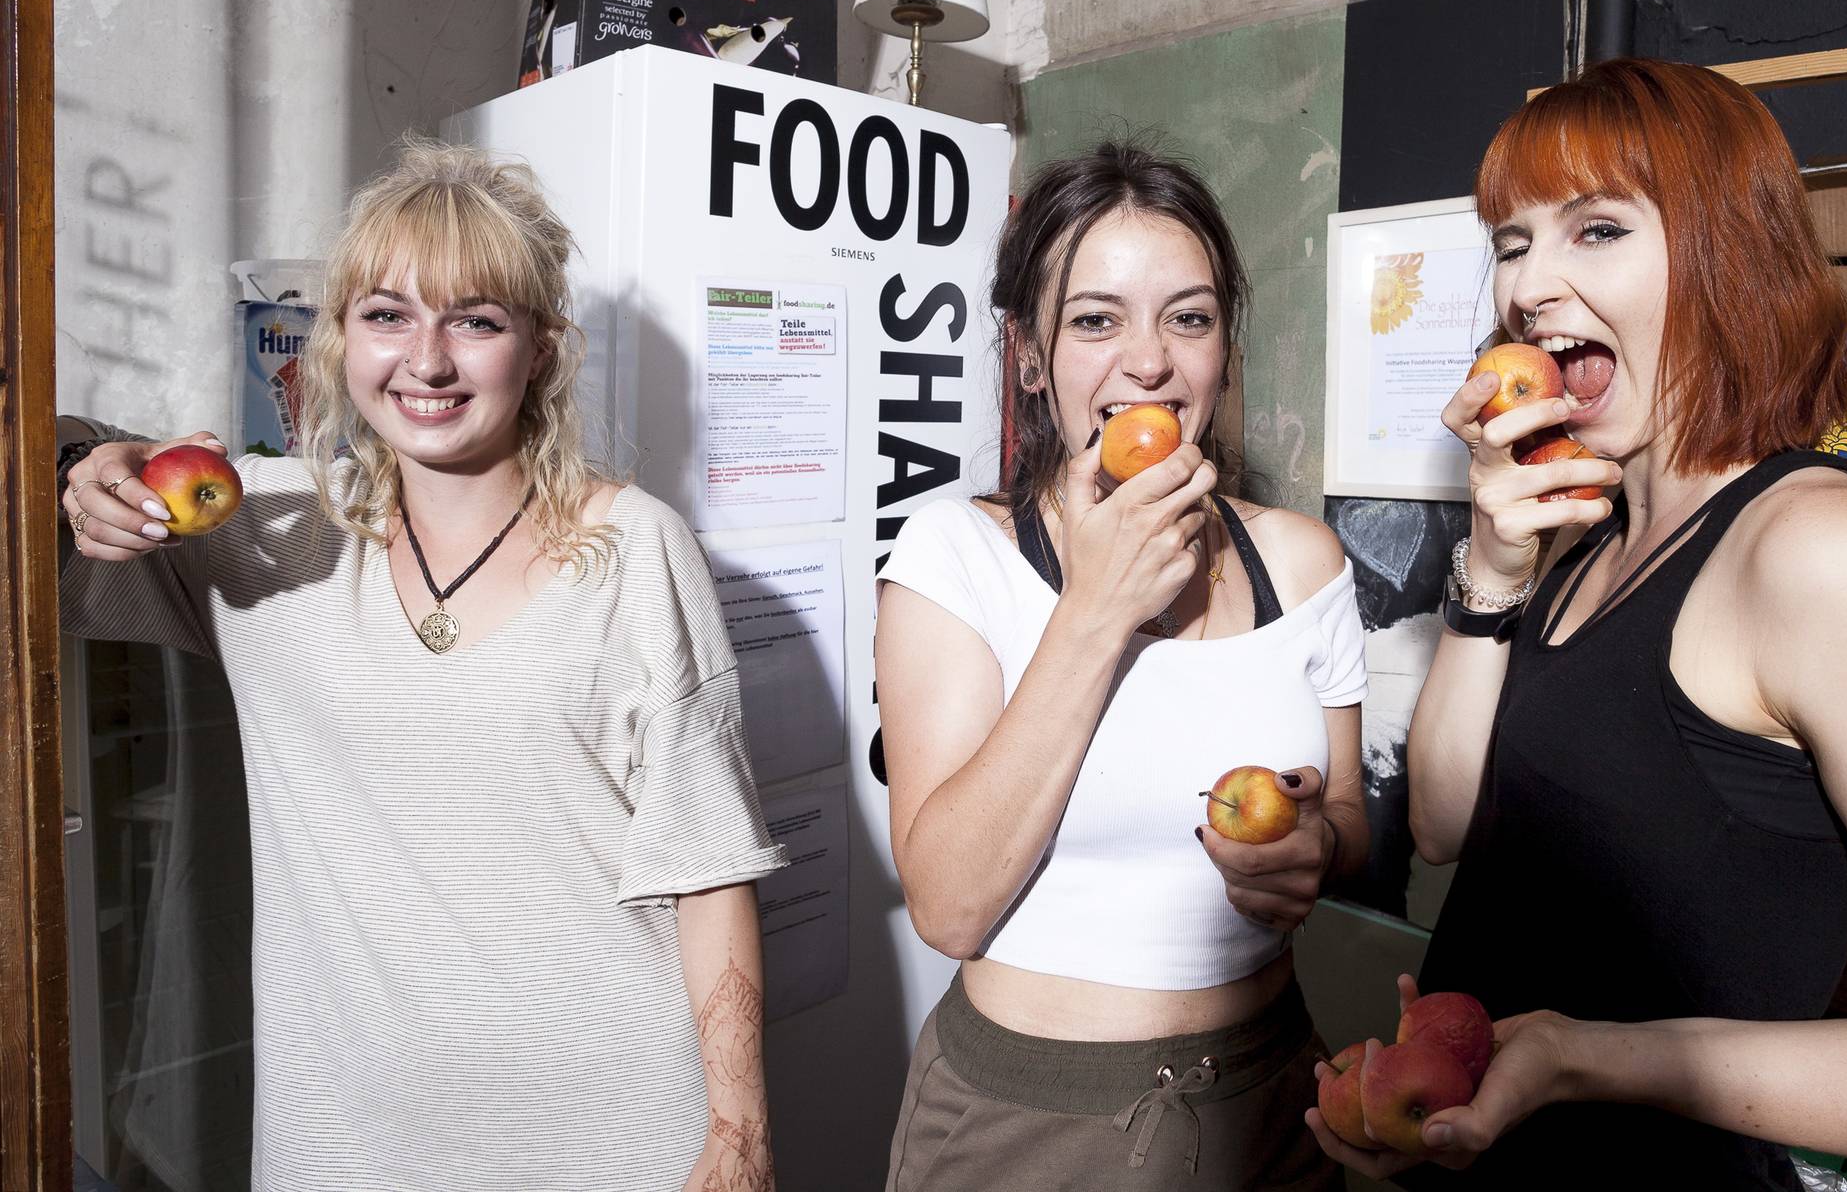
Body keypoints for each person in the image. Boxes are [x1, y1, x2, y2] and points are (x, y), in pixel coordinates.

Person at [1307, 58, 1847, 1186]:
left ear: (1732, 250)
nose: (1529, 286)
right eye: (1512, 240)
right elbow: (1440, 822)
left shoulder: (1826, 556)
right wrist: (1490, 568)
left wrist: (1597, 1061)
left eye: (1596, 229)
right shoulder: (1590, 547)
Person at [58, 138, 788, 1191]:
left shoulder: (634, 548)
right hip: (347, 1142)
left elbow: (708, 868)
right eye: (387, 313)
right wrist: (80, 466)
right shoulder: (264, 529)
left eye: (476, 319)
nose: (428, 361)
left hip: (616, 1134)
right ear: (341, 339)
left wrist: (741, 1134)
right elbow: (47, 518)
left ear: (538, 348)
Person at [874, 140, 1370, 1190]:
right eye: (1096, 319)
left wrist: (1312, 842)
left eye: (1187, 317)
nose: (1148, 361)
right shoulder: (955, 556)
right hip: (1025, 1124)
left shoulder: (1301, 560)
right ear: (1030, 354)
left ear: (1224, 350)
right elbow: (951, 904)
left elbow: (1353, 838)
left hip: (1271, 1100)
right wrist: (1096, 611)